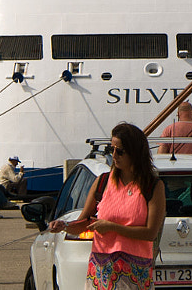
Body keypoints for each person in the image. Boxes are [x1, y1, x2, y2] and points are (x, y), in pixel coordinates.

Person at [47, 123, 166, 290]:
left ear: (135, 153)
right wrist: (64, 226)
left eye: (120, 151)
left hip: (134, 274)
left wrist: (111, 227)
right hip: (101, 271)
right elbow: (83, 224)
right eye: (112, 150)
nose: (115, 155)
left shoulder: (152, 186)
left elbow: (150, 233)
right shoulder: (103, 181)